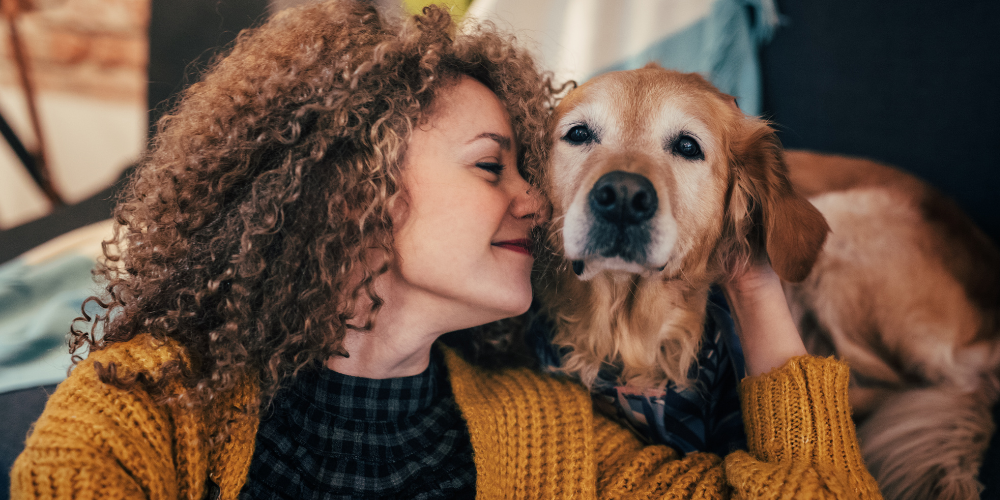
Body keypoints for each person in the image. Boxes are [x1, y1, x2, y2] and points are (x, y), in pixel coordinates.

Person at [11, 2, 882, 499]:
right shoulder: (149, 404)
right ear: (355, 192)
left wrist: (752, 269)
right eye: (493, 166)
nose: (541, 199)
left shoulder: (554, 439)